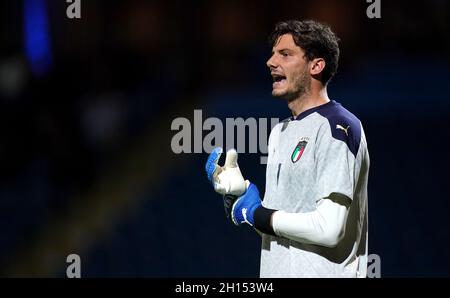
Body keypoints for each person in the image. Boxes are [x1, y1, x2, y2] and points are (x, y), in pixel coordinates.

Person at [206, 20, 369, 278]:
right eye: (272, 53)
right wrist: (243, 194)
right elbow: (276, 225)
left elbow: (329, 229)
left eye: (285, 54)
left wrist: (257, 213)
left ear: (316, 65)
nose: (270, 62)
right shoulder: (279, 133)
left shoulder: (338, 126)